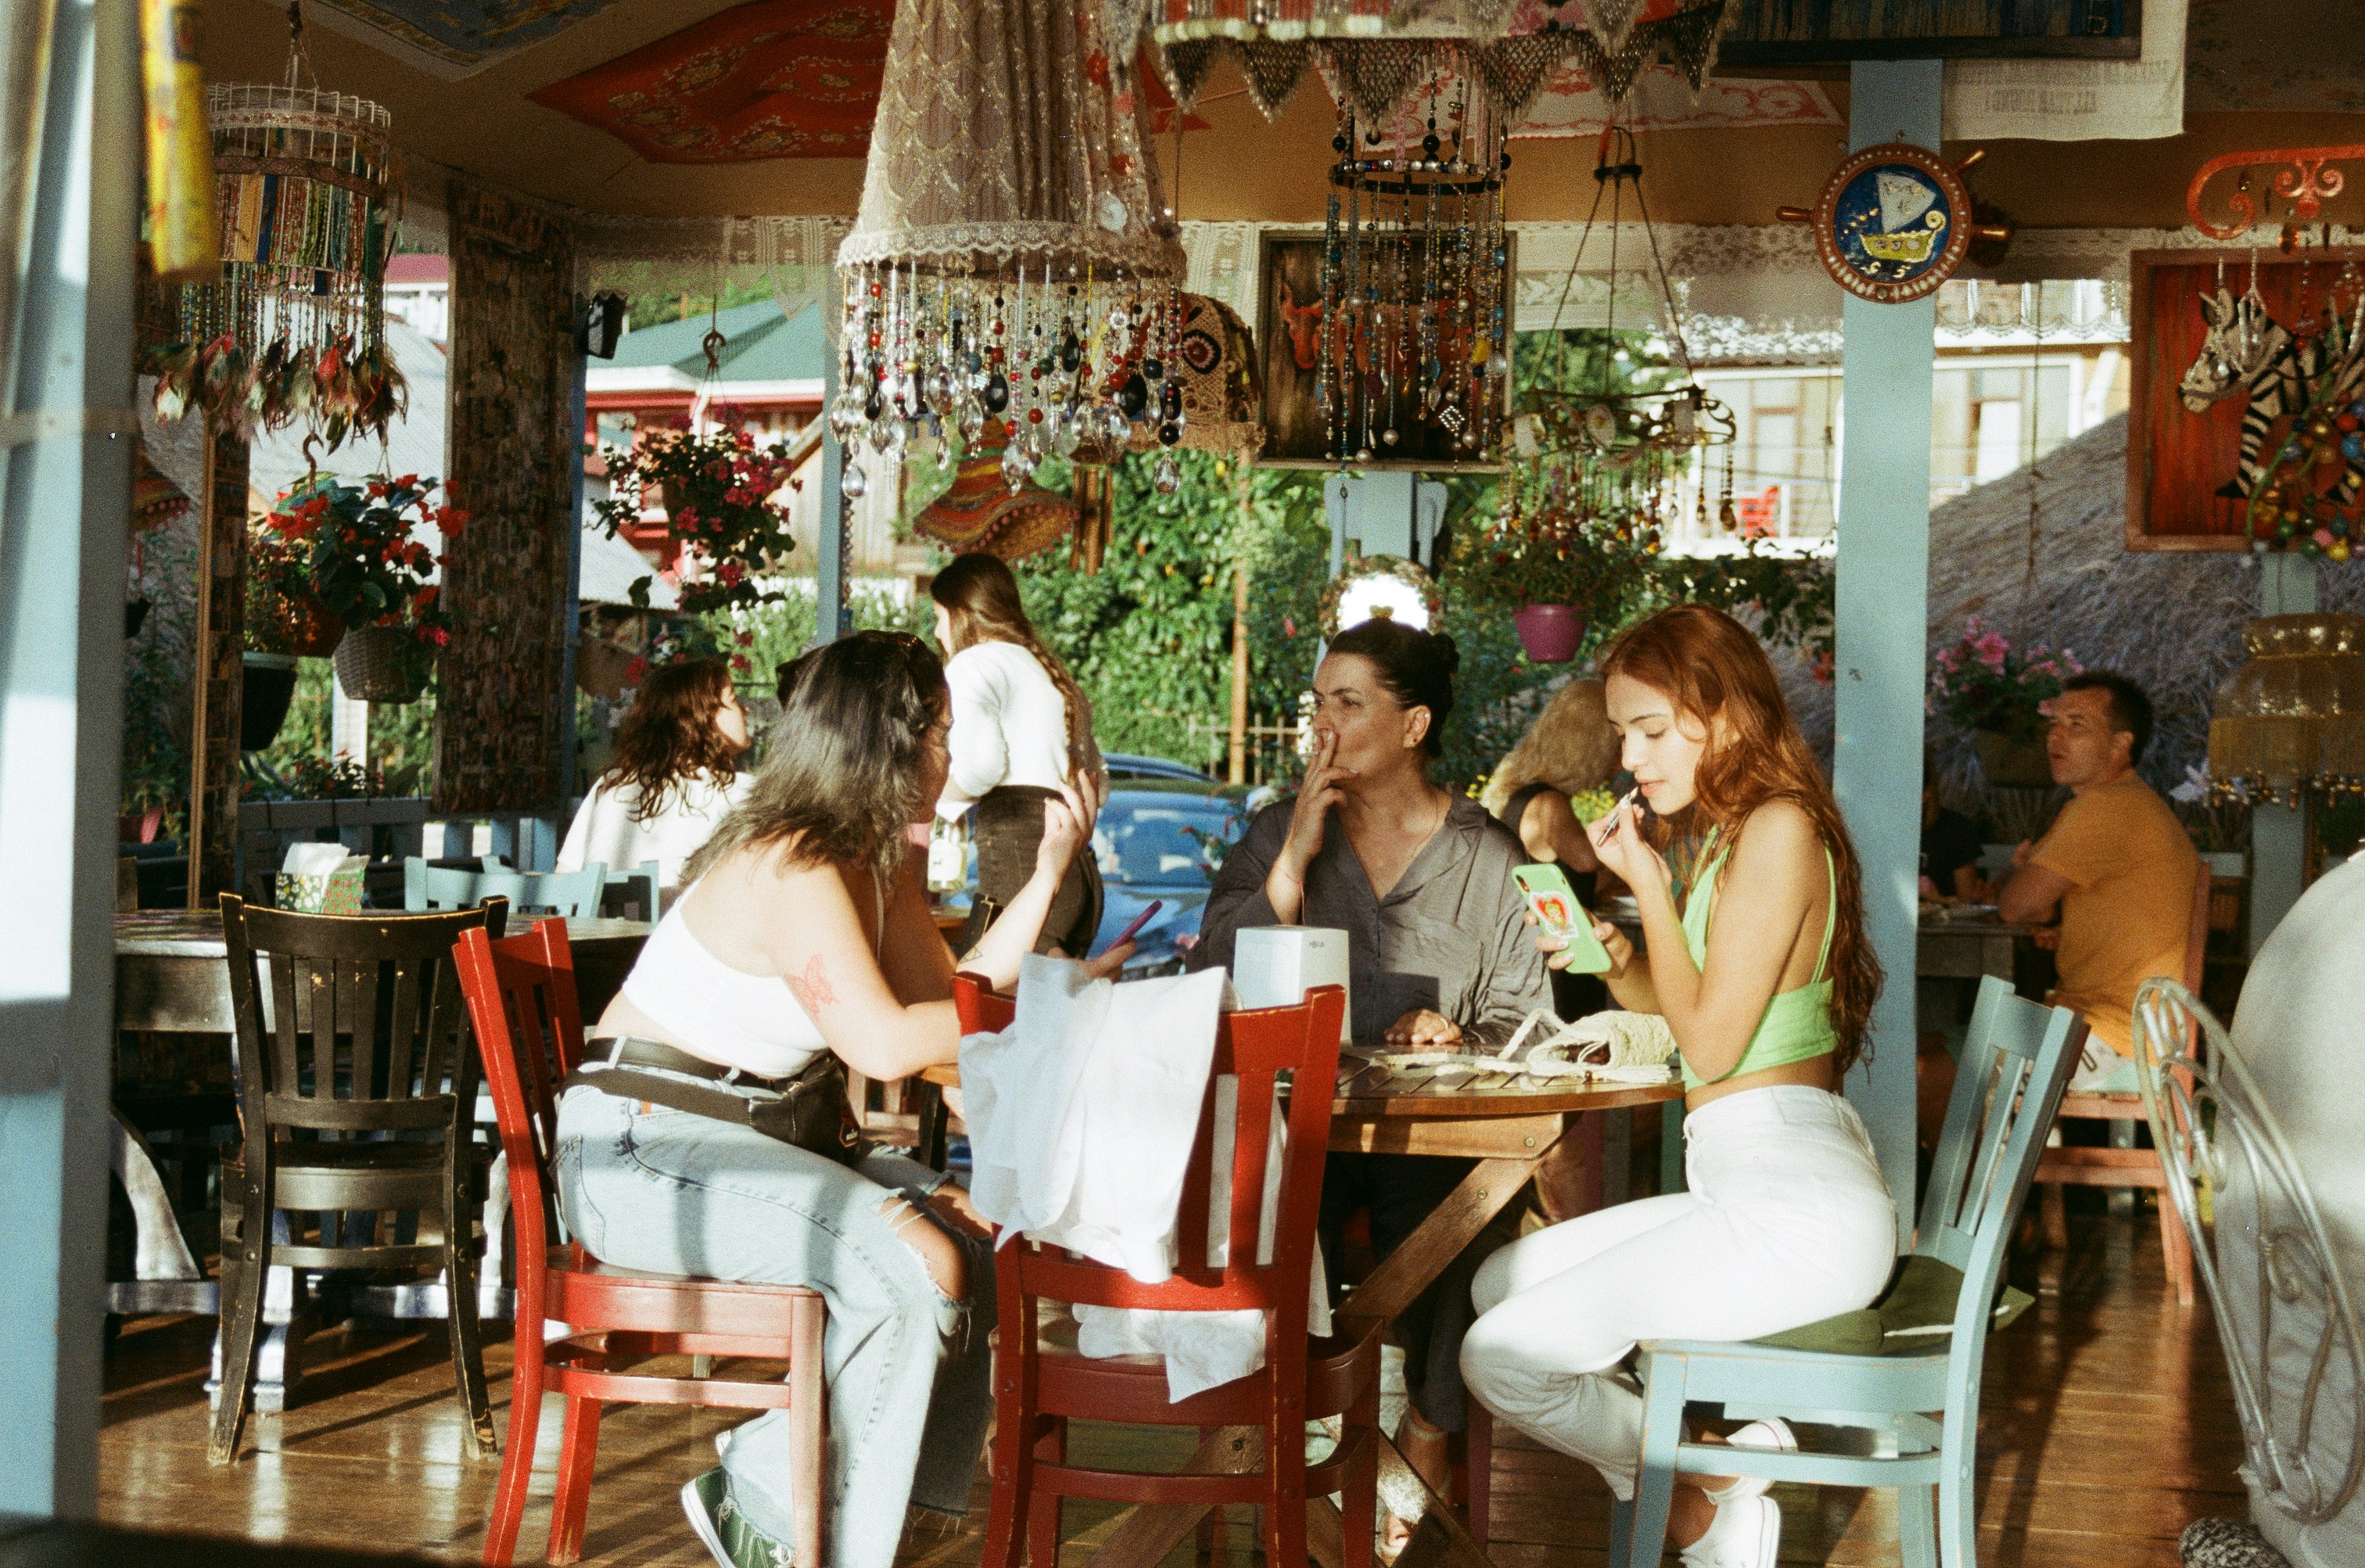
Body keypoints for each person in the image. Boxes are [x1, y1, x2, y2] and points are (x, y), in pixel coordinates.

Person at [553, 630, 1132, 1568]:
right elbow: (885, 1044)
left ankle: (873, 1518)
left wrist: (1052, 875)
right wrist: (1047, 1013)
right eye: (940, 730)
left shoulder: (875, 858)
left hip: (746, 1137)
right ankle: (773, 1507)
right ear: (888, 744)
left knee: (980, 1240)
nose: (955, 753)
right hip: (643, 1149)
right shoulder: (800, 861)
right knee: (913, 1265)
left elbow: (958, 998)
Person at [1459, 605, 1895, 1568]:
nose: (1630, 757)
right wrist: (1616, 953)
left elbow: (1712, 1039)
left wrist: (1647, 882)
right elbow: (1696, 1016)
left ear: (1727, 717)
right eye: (1623, 733)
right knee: (1496, 1285)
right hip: (1751, 1178)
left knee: (1498, 1356)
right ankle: (1718, 1476)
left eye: (1651, 730)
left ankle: (1696, 1503)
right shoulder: (1742, 834)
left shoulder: (1777, 829)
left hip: (1796, 1214)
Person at [1190, 617, 1551, 1538]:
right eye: (1319, 704)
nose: (1324, 726)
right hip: (1294, 1131)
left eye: (1348, 704)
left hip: (1425, 1142)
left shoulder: (1486, 854)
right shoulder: (1281, 830)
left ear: (1414, 723)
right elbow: (1208, 978)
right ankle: (1280, 1431)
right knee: (1260, 1199)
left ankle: (1425, 1427)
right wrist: (1292, 863)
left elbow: (1528, 1019)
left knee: (1467, 1207)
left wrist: (1459, 1027)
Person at [1994, 672, 2206, 1092]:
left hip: (2119, 1036)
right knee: (1978, 1047)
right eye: (2055, 723)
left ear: (2120, 744)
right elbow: (2041, 906)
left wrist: (2023, 879)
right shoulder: (2125, 802)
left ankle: (1994, 1159)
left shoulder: (2105, 810)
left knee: (1971, 1070)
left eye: (2078, 726)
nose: (2057, 737)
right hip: (2132, 1027)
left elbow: (2015, 906)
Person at [930, 553, 1106, 956]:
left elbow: (980, 767)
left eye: (940, 617)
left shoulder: (973, 664)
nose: (938, 633)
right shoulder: (1049, 672)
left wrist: (940, 802)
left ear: (964, 615)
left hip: (1023, 865)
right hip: (1075, 868)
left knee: (987, 1000)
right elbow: (1098, 782)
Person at [557, 658, 753, 910]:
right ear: (701, 716)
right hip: (686, 944)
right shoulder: (745, 793)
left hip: (604, 944)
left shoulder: (612, 785)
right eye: (735, 699)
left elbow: (564, 881)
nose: (745, 710)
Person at [1482, 676, 1621, 1020]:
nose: (1621, 761)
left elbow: (1581, 888)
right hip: (1560, 971)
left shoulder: (1521, 795)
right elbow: (1589, 865)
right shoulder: (1549, 805)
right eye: (1616, 746)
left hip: (1539, 963)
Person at [1918, 759, 1992, 903]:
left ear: (1928, 793)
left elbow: (1966, 902)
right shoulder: (1883, 830)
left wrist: (1937, 899)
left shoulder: (1957, 829)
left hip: (1945, 922)